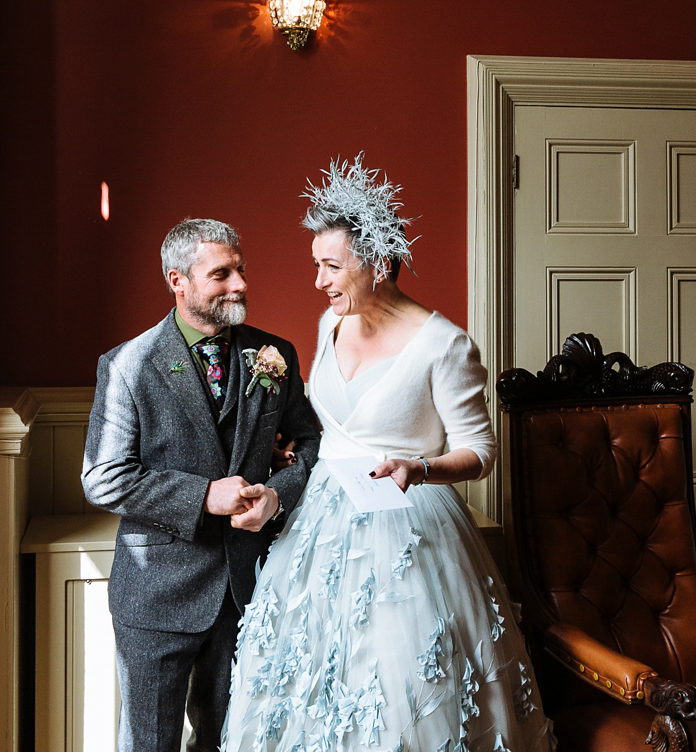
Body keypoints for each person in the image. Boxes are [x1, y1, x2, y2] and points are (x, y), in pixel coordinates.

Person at [222, 157, 556, 751]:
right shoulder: (330, 323)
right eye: (316, 266)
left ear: (376, 261)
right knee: (306, 678)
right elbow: (327, 424)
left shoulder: (444, 344)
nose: (320, 281)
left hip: (409, 521)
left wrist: (419, 469)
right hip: (318, 523)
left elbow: (481, 450)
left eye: (332, 265)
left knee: (399, 677)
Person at [82, 219, 322, 752]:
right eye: (221, 274)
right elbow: (103, 477)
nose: (239, 284)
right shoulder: (126, 367)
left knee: (232, 742)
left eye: (241, 270)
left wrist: (277, 494)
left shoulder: (274, 354)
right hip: (156, 596)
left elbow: (310, 445)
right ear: (178, 281)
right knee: (151, 745)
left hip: (249, 590)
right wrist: (202, 496)